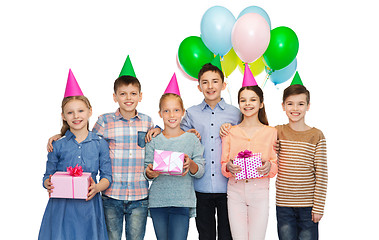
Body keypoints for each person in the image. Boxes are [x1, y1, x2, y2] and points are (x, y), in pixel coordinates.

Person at [47, 59, 160, 240]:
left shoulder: (147, 121)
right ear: (115, 97)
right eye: (123, 94)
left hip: (139, 194)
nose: (128, 98)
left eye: (133, 93)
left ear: (141, 96)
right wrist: (60, 135)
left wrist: (159, 129)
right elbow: (85, 139)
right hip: (111, 195)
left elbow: (157, 141)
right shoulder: (105, 121)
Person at [39, 70, 112, 240]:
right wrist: (48, 183)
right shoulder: (57, 145)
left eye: (80, 111)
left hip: (89, 207)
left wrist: (97, 188)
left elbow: (107, 176)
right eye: (70, 112)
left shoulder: (100, 143)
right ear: (63, 116)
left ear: (89, 111)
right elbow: (46, 177)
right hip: (61, 208)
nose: (76, 116)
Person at [180, 63, 240, 240]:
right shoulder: (191, 113)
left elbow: (248, 138)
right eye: (205, 82)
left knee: (227, 235)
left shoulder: (235, 114)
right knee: (205, 235)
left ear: (224, 85)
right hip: (200, 186)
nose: (210, 86)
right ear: (199, 87)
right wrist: (187, 134)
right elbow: (174, 135)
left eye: (215, 81)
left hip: (229, 186)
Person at [144, 74, 205, 240]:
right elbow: (146, 171)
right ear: (160, 113)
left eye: (176, 110)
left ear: (183, 112)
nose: (172, 115)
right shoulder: (154, 140)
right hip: (158, 202)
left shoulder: (192, 139)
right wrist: (151, 172)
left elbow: (199, 171)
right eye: (166, 111)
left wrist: (190, 164)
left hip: (182, 201)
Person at [220, 67, 277, 240]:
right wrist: (229, 167)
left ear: (261, 103)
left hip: (259, 191)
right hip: (235, 190)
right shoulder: (230, 131)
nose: (248, 104)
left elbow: (275, 167)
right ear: (239, 104)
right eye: (243, 100)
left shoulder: (271, 132)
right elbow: (224, 166)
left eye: (253, 100)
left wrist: (269, 167)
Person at [275, 77, 327, 240]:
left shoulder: (316, 135)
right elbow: (257, 140)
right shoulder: (276, 131)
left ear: (308, 106)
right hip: (284, 205)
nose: (295, 108)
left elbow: (322, 174)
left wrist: (318, 207)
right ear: (283, 106)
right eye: (290, 103)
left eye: (300, 104)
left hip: (308, 206)